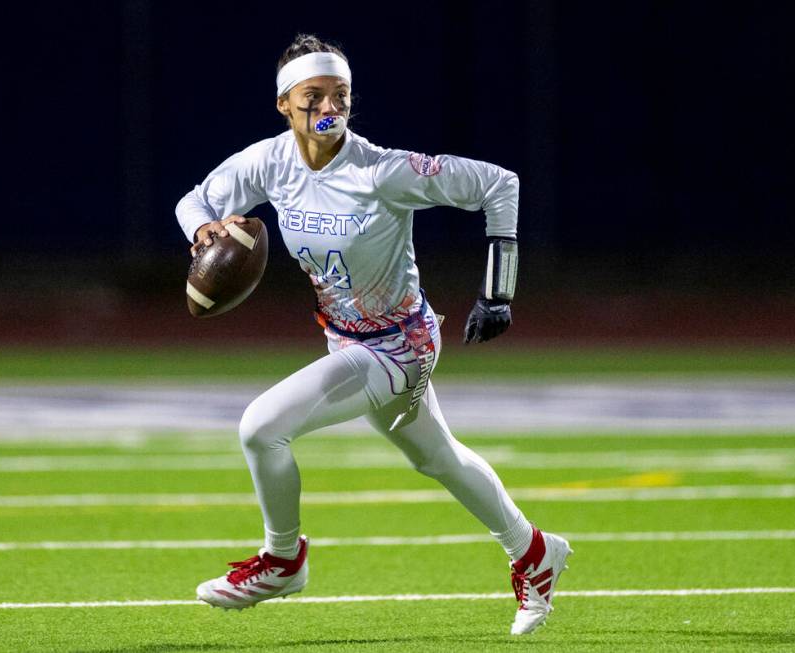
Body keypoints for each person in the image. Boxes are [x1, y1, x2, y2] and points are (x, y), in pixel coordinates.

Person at [175, 34, 571, 635]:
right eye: (313, 95)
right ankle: (534, 551)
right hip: (347, 338)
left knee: (260, 427)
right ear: (285, 103)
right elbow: (192, 201)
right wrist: (206, 231)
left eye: (341, 94)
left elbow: (500, 184)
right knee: (439, 459)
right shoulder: (269, 161)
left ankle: (284, 559)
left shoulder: (382, 171)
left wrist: (499, 290)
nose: (329, 107)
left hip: (399, 345)